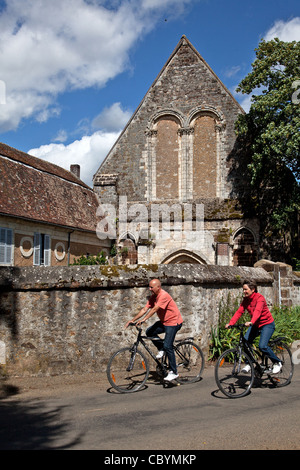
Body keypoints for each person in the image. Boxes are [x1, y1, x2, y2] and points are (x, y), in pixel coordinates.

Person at [125, 278, 183, 381]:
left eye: (151, 287)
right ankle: (161, 348)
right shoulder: (153, 297)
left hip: (174, 322)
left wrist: (144, 320)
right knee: (150, 332)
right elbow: (144, 309)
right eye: (149, 287)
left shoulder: (163, 296)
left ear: (158, 287)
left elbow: (155, 309)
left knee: (168, 346)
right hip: (165, 322)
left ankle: (174, 372)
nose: (149, 289)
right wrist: (132, 320)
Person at [225, 280, 282, 373]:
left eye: (245, 289)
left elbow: (258, 311)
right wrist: (231, 323)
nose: (244, 291)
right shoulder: (246, 300)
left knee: (262, 346)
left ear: (253, 289)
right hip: (255, 324)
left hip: (267, 324)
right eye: (243, 289)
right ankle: (250, 363)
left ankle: (277, 362)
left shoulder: (260, 298)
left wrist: (251, 321)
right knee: (245, 342)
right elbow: (239, 312)